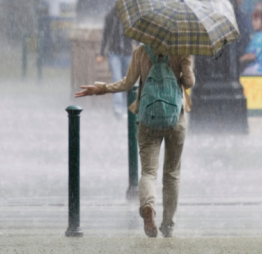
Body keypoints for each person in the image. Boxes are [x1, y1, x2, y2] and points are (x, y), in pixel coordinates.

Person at [75, 44, 195, 238]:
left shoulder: (141, 51)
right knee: (172, 174)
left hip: (148, 118)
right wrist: (180, 75)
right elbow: (189, 81)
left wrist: (102, 88)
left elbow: (128, 83)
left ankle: (148, 206)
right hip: (175, 119)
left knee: (148, 172)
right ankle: (168, 226)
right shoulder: (181, 48)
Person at [97, 8, 135, 119]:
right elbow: (106, 35)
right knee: (117, 79)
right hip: (114, 53)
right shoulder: (110, 17)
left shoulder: (130, 18)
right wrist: (101, 53)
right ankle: (118, 107)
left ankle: (126, 107)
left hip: (127, 53)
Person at [240, 9, 262, 76]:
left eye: (256, 20)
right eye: (252, 20)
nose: (253, 23)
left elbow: (252, 55)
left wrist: (238, 60)